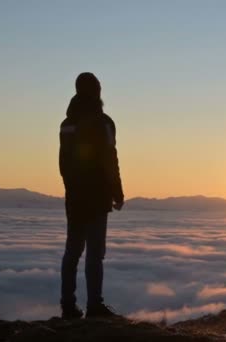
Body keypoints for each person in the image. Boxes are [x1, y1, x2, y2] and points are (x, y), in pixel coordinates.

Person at [59, 72, 124, 319]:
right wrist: (117, 191)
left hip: (75, 197)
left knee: (73, 251)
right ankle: (94, 306)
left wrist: (72, 189)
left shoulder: (67, 124)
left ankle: (68, 306)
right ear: (97, 90)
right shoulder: (104, 122)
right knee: (95, 253)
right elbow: (110, 158)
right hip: (97, 196)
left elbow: (63, 164)